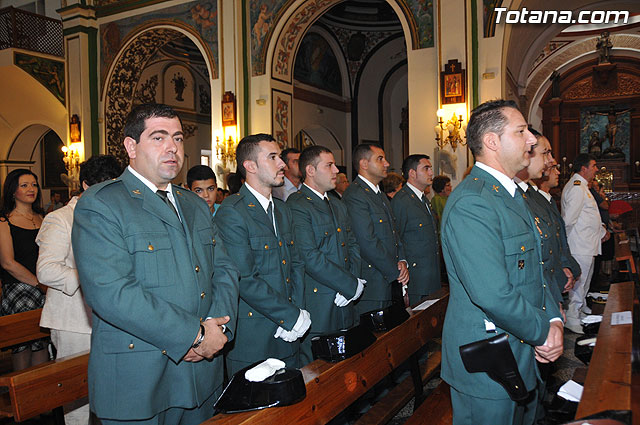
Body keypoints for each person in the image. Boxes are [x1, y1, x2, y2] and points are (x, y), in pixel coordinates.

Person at [71, 103, 239, 424]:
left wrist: (218, 329)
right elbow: (112, 293)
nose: (172, 147)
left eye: (178, 138)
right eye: (159, 138)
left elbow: (225, 270)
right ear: (131, 146)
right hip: (140, 378)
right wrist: (194, 335)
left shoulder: (194, 204)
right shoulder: (102, 204)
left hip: (201, 375)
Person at [440, 100, 563, 425]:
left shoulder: (511, 195)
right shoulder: (473, 202)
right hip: (490, 359)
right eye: (521, 131)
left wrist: (554, 319)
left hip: (521, 346)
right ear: (492, 141)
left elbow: (536, 269)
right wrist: (543, 331)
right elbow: (492, 294)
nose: (531, 139)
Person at [36, 154, 122, 425]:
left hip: (109, 317)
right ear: (86, 185)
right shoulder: (61, 218)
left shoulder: (111, 217)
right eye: (103, 186)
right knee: (77, 399)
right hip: (72, 320)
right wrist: (91, 277)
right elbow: (46, 269)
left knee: (111, 391)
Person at [215, 134, 309, 375]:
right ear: (250, 166)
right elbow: (244, 278)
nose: (282, 164)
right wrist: (289, 315)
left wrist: (298, 313)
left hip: (289, 333)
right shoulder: (233, 212)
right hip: (256, 337)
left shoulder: (283, 210)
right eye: (273, 157)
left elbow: (296, 264)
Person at [286, 145, 363, 365]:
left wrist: (354, 280)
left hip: (345, 302)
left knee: (348, 368)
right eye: (329, 165)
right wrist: (348, 284)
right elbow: (309, 256)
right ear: (310, 170)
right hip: (320, 305)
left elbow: (352, 245)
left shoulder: (337, 205)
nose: (336, 170)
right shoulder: (297, 204)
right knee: (318, 370)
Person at [342, 143, 408, 313]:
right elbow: (367, 242)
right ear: (364, 164)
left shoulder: (379, 194)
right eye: (380, 159)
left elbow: (393, 232)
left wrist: (402, 260)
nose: (387, 163)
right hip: (373, 284)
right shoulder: (356, 195)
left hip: (388, 278)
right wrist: (395, 271)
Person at [0, 169, 48, 371]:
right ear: (13, 191)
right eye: (24, 185)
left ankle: (43, 389)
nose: (31, 189)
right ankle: (23, 389)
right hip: (19, 288)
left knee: (42, 343)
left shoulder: (43, 217)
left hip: (45, 287)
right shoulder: (4, 221)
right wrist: (38, 284)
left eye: (34, 185)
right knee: (23, 345)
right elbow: (7, 263)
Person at [561, 154, 608, 334]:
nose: (596, 169)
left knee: (584, 283)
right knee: (578, 285)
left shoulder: (582, 186)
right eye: (593, 166)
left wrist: (601, 232)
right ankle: (572, 317)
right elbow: (569, 220)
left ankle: (579, 312)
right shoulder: (577, 187)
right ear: (583, 168)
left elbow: (588, 216)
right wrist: (564, 246)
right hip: (579, 244)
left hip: (587, 243)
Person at [391, 154, 440, 305]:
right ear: (412, 173)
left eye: (430, 168)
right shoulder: (402, 201)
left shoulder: (423, 199)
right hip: (416, 280)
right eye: (426, 168)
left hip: (431, 276)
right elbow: (395, 237)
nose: (431, 172)